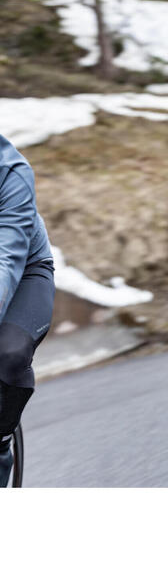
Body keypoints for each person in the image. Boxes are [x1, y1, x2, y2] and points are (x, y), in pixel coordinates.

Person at [0, 134, 55, 487]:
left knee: (7, 353)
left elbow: (7, 259)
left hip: (23, 272)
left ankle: (1, 439)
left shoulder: (10, 173)